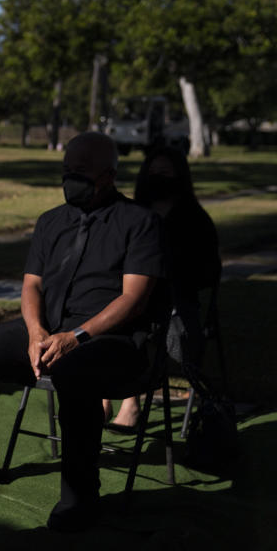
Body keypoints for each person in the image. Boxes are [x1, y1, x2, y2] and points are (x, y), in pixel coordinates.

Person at [0, 132, 164, 532]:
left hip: (110, 340)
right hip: (48, 330)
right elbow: (31, 285)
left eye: (80, 172)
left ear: (108, 175)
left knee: (75, 372)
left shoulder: (139, 222)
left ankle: (80, 497)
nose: (70, 179)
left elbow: (134, 299)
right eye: (66, 171)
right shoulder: (51, 221)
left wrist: (76, 336)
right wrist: (35, 332)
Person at [103, 145, 221, 431]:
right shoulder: (132, 213)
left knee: (137, 325)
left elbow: (208, 273)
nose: (158, 177)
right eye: (153, 172)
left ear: (179, 175)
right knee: (108, 314)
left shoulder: (195, 219)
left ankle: (130, 404)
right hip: (132, 297)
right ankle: (103, 398)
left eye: (165, 172)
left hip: (176, 303)